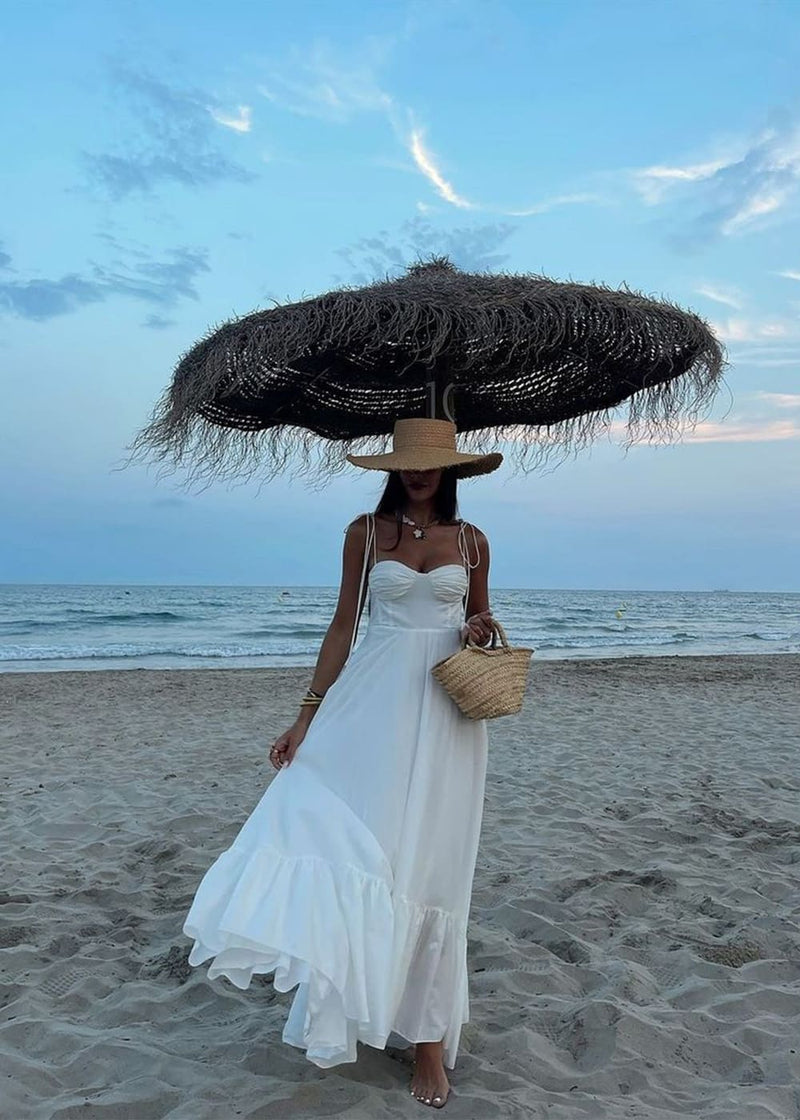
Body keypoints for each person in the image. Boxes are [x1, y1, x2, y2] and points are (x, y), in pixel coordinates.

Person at [182, 417, 503, 1109]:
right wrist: (306, 714)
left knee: (433, 867)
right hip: (369, 707)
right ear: (392, 466)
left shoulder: (473, 542)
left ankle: (426, 1046)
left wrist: (478, 628)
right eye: (408, 462)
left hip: (445, 714)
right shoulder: (365, 531)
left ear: (451, 469)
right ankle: (358, 994)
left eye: (431, 463)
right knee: (349, 836)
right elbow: (341, 625)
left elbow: (480, 619)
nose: (418, 472)